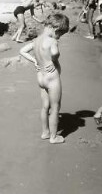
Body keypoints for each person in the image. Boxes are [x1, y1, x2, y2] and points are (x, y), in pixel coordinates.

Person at [20, 13, 69, 144]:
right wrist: (56, 60)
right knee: (55, 107)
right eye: (60, 35)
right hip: (51, 79)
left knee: (45, 107)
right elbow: (54, 53)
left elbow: (23, 51)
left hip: (41, 77)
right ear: (56, 29)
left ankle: (45, 132)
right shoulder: (52, 41)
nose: (59, 37)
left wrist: (35, 61)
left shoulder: (36, 40)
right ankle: (53, 137)